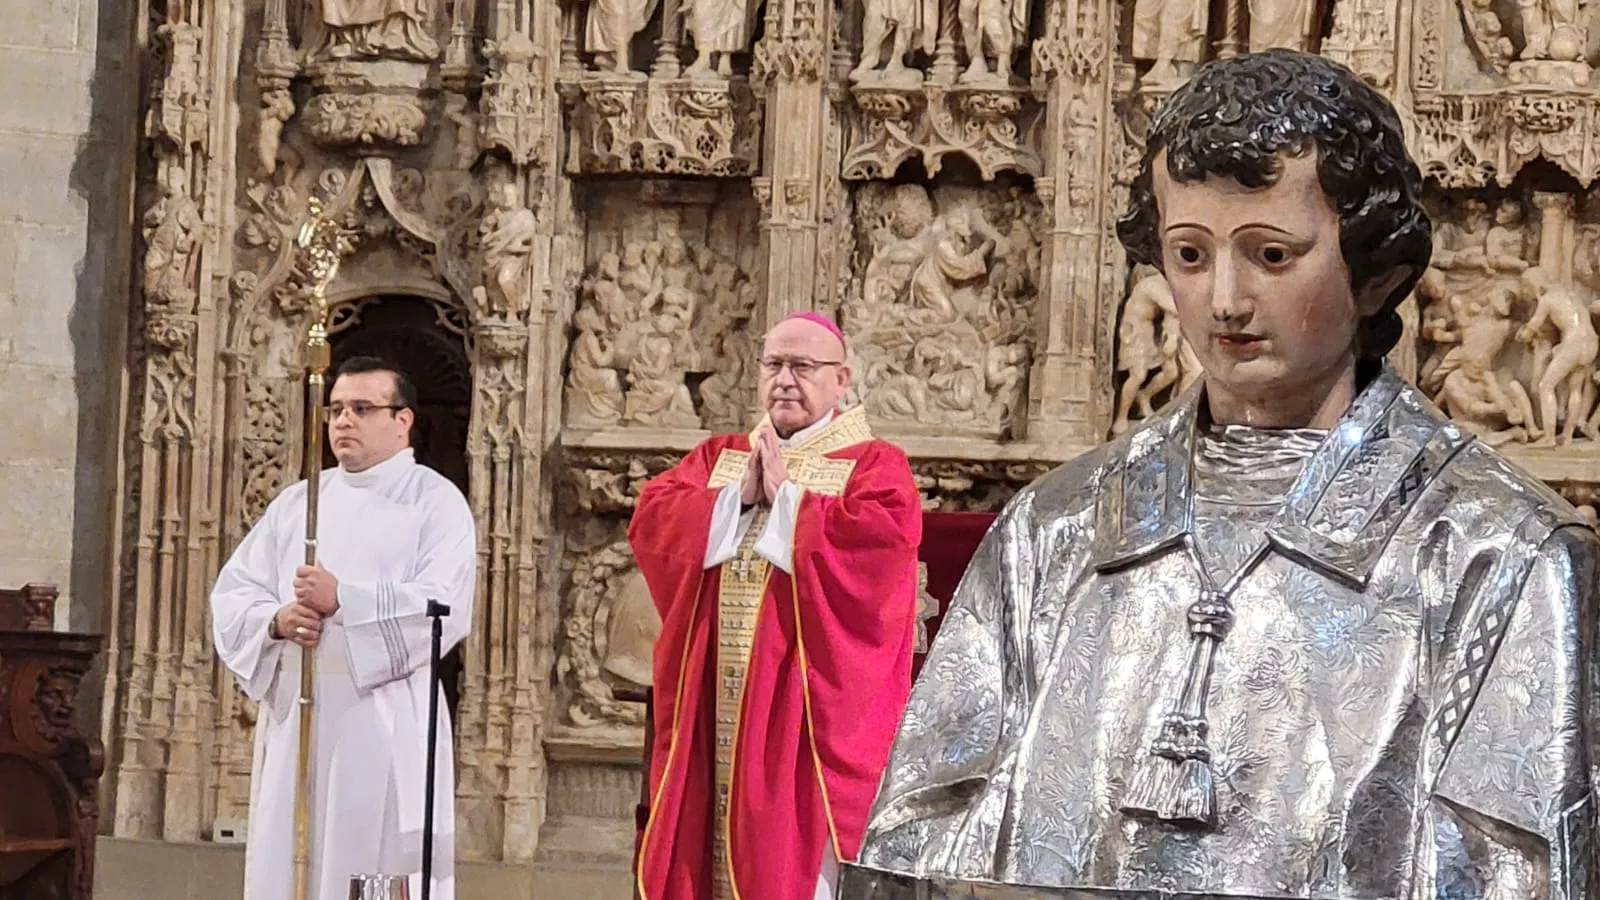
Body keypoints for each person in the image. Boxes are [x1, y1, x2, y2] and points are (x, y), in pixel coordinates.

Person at [840, 49, 1600, 899]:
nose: (1225, 300)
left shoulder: (1499, 554)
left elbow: (1521, 873)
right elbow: (924, 844)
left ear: (1376, 269)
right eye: (1190, 255)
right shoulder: (1053, 532)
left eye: (1271, 255)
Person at [628, 311, 923, 900]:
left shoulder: (872, 464)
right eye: (773, 365)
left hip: (804, 709)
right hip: (716, 700)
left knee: (789, 863)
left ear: (842, 379)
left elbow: (882, 544)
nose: (785, 379)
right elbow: (654, 515)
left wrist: (788, 498)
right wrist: (737, 497)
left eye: (803, 367)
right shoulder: (722, 456)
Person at [211, 355, 476, 900]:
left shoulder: (432, 502)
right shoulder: (299, 503)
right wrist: (277, 621)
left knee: (371, 868)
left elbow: (442, 608)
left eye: (361, 408)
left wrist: (344, 600)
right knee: (291, 859)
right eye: (335, 410)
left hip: (383, 725)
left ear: (402, 420)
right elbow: (235, 592)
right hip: (300, 723)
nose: (343, 421)